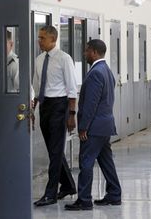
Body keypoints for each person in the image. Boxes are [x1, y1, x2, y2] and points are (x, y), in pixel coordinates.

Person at [65, 39, 122, 211]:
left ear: (95, 52)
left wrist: (83, 127)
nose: (85, 54)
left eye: (87, 51)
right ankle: (114, 194)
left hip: (94, 127)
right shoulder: (106, 70)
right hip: (105, 126)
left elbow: (91, 104)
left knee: (86, 162)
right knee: (106, 161)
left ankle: (84, 199)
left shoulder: (96, 72)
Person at [32, 25, 78, 207]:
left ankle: (50, 193)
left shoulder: (64, 59)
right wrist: (32, 111)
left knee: (56, 150)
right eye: (38, 37)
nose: (39, 41)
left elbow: (72, 88)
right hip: (45, 106)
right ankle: (68, 185)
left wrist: (72, 115)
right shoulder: (39, 59)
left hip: (60, 105)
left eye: (42, 38)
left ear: (53, 39)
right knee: (54, 150)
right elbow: (36, 86)